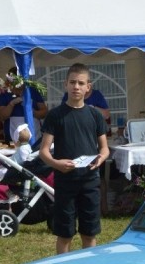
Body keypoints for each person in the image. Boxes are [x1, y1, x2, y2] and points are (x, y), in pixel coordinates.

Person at [39, 63, 110, 254]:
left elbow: (104, 149)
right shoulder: (55, 115)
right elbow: (43, 151)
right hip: (65, 182)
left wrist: (100, 159)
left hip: (90, 181)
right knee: (65, 234)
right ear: (65, 85)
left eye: (80, 83)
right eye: (72, 82)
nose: (76, 87)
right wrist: (56, 164)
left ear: (88, 87)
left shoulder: (95, 115)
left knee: (89, 233)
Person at [0, 66, 48, 144]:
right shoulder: (5, 93)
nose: (18, 86)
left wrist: (31, 111)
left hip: (34, 135)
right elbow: (1, 116)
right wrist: (11, 104)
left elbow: (44, 112)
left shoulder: (32, 91)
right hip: (12, 138)